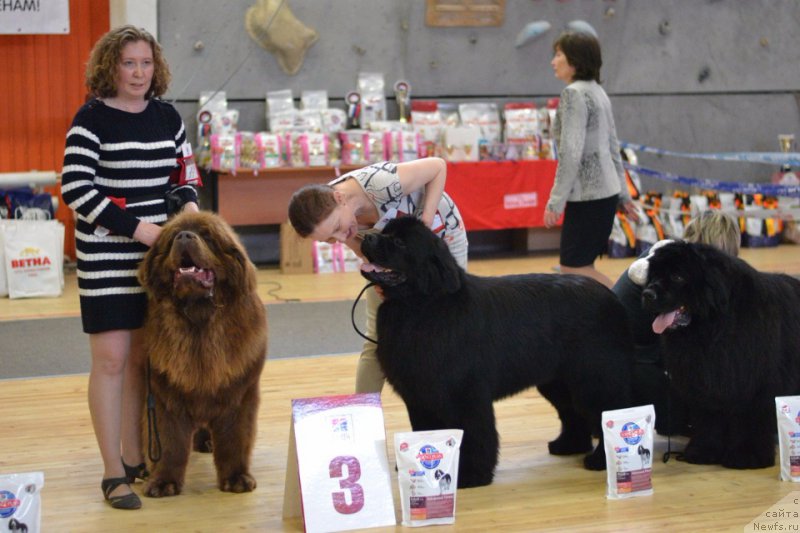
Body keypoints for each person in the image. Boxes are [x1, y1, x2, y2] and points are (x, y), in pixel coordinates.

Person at [61, 25, 200, 510]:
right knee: (112, 360)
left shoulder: (166, 116)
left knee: (142, 359)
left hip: (159, 259)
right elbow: (76, 190)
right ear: (110, 68)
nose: (138, 73)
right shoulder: (91, 118)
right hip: (107, 256)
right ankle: (112, 473)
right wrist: (137, 227)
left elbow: (186, 175)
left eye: (145, 63)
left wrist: (184, 210)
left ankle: (136, 457)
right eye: (128, 64)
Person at [288, 158, 468, 393]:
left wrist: (423, 223)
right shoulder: (335, 218)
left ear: (340, 199)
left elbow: (437, 166)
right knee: (378, 339)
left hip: (443, 236)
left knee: (449, 324)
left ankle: (454, 406)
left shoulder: (382, 183)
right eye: (329, 239)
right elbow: (362, 251)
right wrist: (379, 280)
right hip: (392, 257)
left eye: (336, 229)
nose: (340, 239)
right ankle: (363, 413)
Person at [612, 210, 741, 434]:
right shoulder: (669, 267)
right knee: (677, 421)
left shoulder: (675, 260)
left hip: (642, 352)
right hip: (629, 357)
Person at [544, 31, 638, 288]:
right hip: (604, 195)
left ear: (575, 60)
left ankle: (627, 311)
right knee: (579, 268)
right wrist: (623, 196)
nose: (554, 61)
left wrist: (555, 200)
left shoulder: (573, 94)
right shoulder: (598, 92)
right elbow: (612, 148)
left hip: (588, 196)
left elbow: (571, 152)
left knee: (573, 268)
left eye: (559, 54)